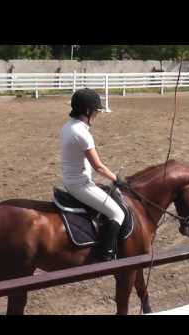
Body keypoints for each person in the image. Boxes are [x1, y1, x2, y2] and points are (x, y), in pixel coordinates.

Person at [60, 88, 127, 261]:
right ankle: (106, 254)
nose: (97, 115)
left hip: (70, 180)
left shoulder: (67, 126)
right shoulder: (82, 134)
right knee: (117, 214)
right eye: (96, 111)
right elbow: (98, 167)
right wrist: (117, 180)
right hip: (80, 185)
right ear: (88, 111)